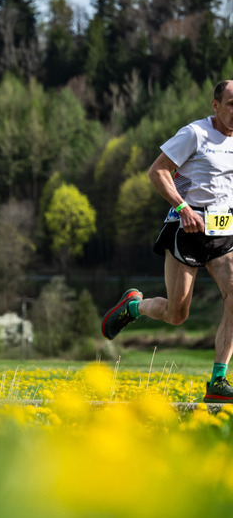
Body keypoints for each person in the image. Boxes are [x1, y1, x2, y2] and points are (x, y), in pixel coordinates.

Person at [102, 79, 233, 403]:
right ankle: (133, 306)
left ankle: (218, 381)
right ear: (215, 106)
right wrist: (183, 207)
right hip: (186, 230)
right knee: (177, 314)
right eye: (231, 104)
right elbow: (158, 171)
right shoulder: (195, 134)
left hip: (224, 231)